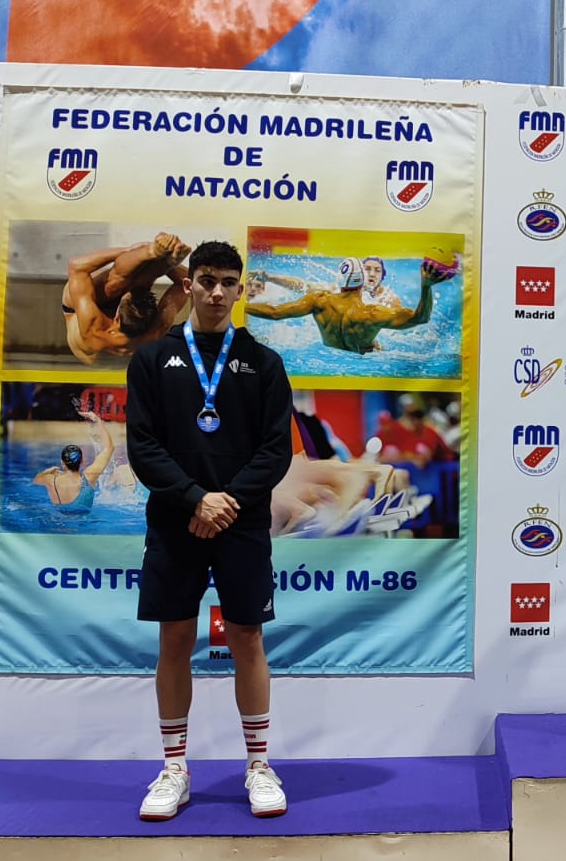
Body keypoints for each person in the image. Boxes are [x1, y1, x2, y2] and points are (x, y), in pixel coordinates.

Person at [126, 240, 293, 821]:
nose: (217, 292)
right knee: (175, 639)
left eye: (227, 282)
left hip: (240, 524)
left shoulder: (264, 364)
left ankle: (259, 765)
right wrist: (196, 498)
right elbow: (143, 447)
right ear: (188, 285)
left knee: (247, 638)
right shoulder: (152, 360)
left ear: (240, 290)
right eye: (206, 280)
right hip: (176, 521)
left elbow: (275, 451)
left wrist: (226, 502)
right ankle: (174, 768)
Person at [244, 252, 460, 354]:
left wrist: (238, 304)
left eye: (377, 270)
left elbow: (274, 312)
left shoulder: (320, 300)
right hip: (367, 359)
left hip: (325, 354)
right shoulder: (374, 313)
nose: (372, 273)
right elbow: (420, 318)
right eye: (368, 269)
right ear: (363, 279)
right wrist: (426, 286)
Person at [61, 232, 193, 364]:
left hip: (78, 314)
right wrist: (169, 263)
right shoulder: (155, 331)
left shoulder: (94, 331)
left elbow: (76, 266)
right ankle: (162, 259)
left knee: (116, 283)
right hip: (120, 343)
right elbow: (186, 284)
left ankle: (152, 252)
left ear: (117, 317)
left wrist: (131, 250)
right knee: (140, 283)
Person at [32, 409, 117, 513]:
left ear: (62, 463)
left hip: (59, 521)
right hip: (85, 522)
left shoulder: (51, 480)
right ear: (82, 461)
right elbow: (109, 448)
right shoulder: (88, 478)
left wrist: (48, 471)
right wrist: (97, 420)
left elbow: (36, 480)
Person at [375, 394, 454, 465]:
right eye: (410, 415)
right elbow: (378, 458)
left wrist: (404, 458)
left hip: (440, 473)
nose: (414, 419)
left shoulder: (428, 432)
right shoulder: (389, 431)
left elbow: (422, 461)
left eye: (418, 415)